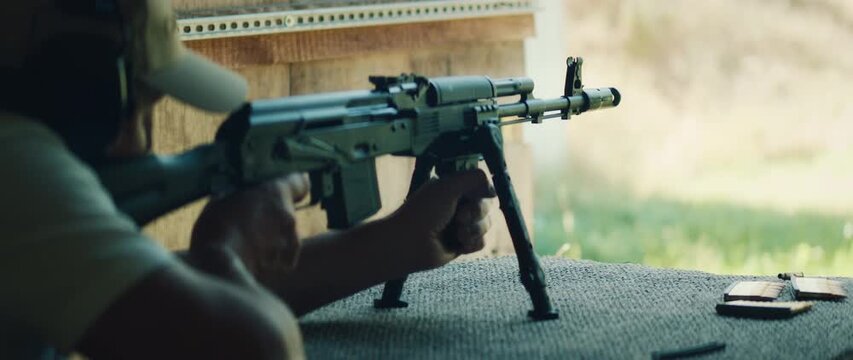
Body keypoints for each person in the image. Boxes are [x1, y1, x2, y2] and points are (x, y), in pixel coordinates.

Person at [0, 0, 494, 358]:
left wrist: (393, 244)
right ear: (82, 87)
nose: (148, 138)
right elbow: (255, 345)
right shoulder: (19, 165)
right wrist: (224, 251)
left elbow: (155, 298)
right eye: (147, 102)